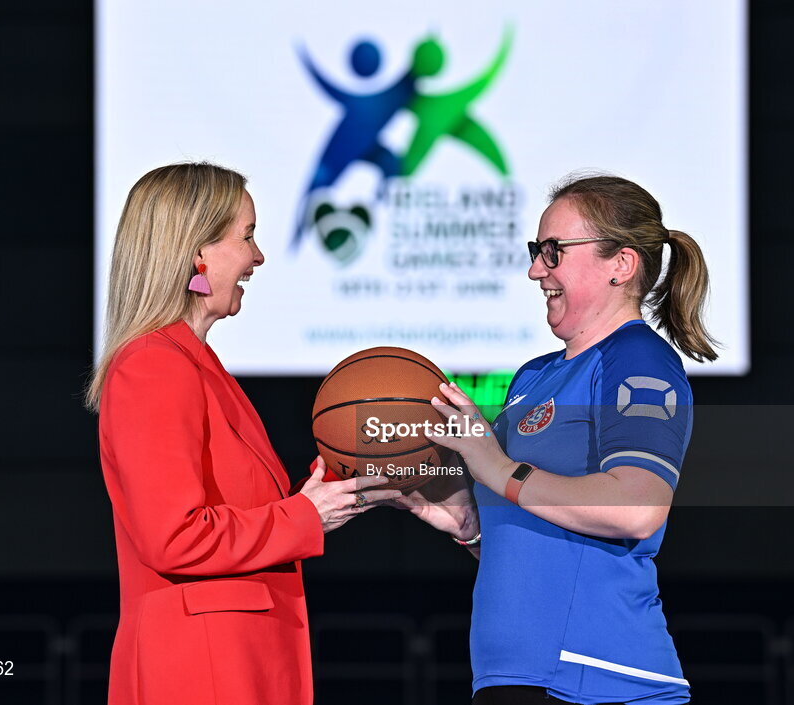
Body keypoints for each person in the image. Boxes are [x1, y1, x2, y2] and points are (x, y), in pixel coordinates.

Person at [84, 162, 398, 705]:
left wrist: (342, 475)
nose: (258, 257)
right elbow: (173, 537)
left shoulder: (196, 364)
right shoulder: (154, 365)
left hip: (234, 662)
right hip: (200, 670)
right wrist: (305, 516)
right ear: (197, 253)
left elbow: (244, 510)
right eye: (247, 237)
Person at [399, 174, 718, 704]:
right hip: (516, 676)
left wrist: (499, 469)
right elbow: (545, 545)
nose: (535, 270)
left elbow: (638, 508)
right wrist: (472, 529)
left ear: (621, 264)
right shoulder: (534, 375)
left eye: (553, 251)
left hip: (600, 680)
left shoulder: (635, 357)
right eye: (536, 251)